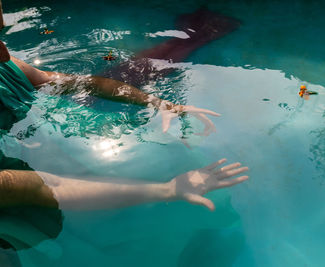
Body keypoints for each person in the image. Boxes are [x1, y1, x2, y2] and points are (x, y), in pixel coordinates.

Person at [0, 5, 248, 267]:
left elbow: (78, 83)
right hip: (25, 215)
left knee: (96, 94)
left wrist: (157, 102)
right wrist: (167, 190)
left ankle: (189, 38)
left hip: (33, 144)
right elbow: (49, 187)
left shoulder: (6, 65)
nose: (5, 53)